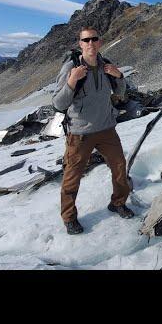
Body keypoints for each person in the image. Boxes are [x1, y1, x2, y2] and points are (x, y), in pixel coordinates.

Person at [52, 26, 134, 235]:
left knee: (119, 167)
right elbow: (58, 103)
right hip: (80, 133)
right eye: (86, 40)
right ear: (80, 44)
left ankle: (118, 203)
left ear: (99, 42)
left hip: (106, 128)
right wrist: (72, 81)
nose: (90, 43)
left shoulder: (106, 65)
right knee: (72, 176)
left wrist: (119, 76)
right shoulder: (71, 67)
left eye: (94, 39)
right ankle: (69, 217)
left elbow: (121, 94)